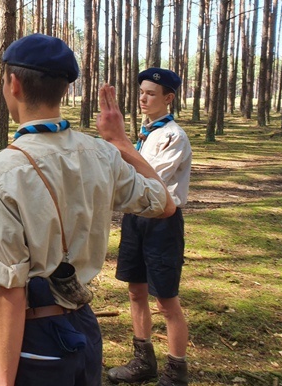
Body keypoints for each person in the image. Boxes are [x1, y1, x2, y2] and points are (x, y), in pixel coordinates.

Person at [0, 33, 176, 386]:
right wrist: (120, 142)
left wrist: (2, 381)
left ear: (13, 83)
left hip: (32, 337)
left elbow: (9, 290)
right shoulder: (101, 153)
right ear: (64, 89)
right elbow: (164, 203)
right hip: (83, 325)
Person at [107, 67, 192, 386]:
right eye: (141, 92)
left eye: (151, 93)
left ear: (168, 98)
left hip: (162, 223)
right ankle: (143, 360)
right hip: (135, 220)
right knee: (135, 291)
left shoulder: (174, 136)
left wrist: (120, 144)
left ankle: (176, 370)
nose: (143, 98)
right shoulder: (146, 132)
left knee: (166, 300)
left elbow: (149, 180)